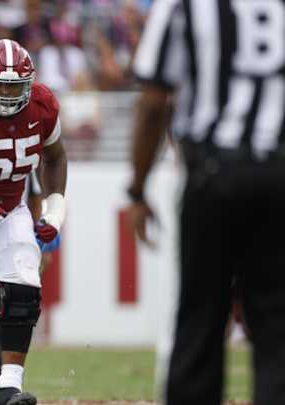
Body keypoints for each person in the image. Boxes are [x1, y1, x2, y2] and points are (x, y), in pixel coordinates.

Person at [126, 1, 285, 404]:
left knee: (200, 317)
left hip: (213, 175)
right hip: (278, 174)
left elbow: (153, 102)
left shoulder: (184, 5)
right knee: (277, 326)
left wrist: (138, 189)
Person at [0, 39, 67, 405]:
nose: (8, 94)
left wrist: (55, 208)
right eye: (0, 85)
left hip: (9, 209)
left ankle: (9, 385)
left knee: (24, 287)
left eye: (16, 86)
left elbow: (55, 158)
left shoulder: (43, 105)